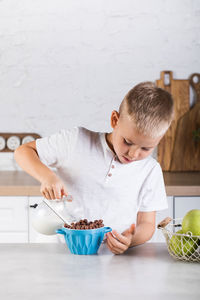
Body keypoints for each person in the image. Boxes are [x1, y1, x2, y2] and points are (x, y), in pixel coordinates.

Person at [14, 82, 174, 254]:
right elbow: (23, 151)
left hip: (112, 263)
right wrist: (47, 177)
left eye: (146, 148)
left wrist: (130, 240)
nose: (134, 154)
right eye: (127, 142)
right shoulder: (76, 141)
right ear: (115, 120)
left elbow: (147, 224)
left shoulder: (150, 170)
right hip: (60, 252)